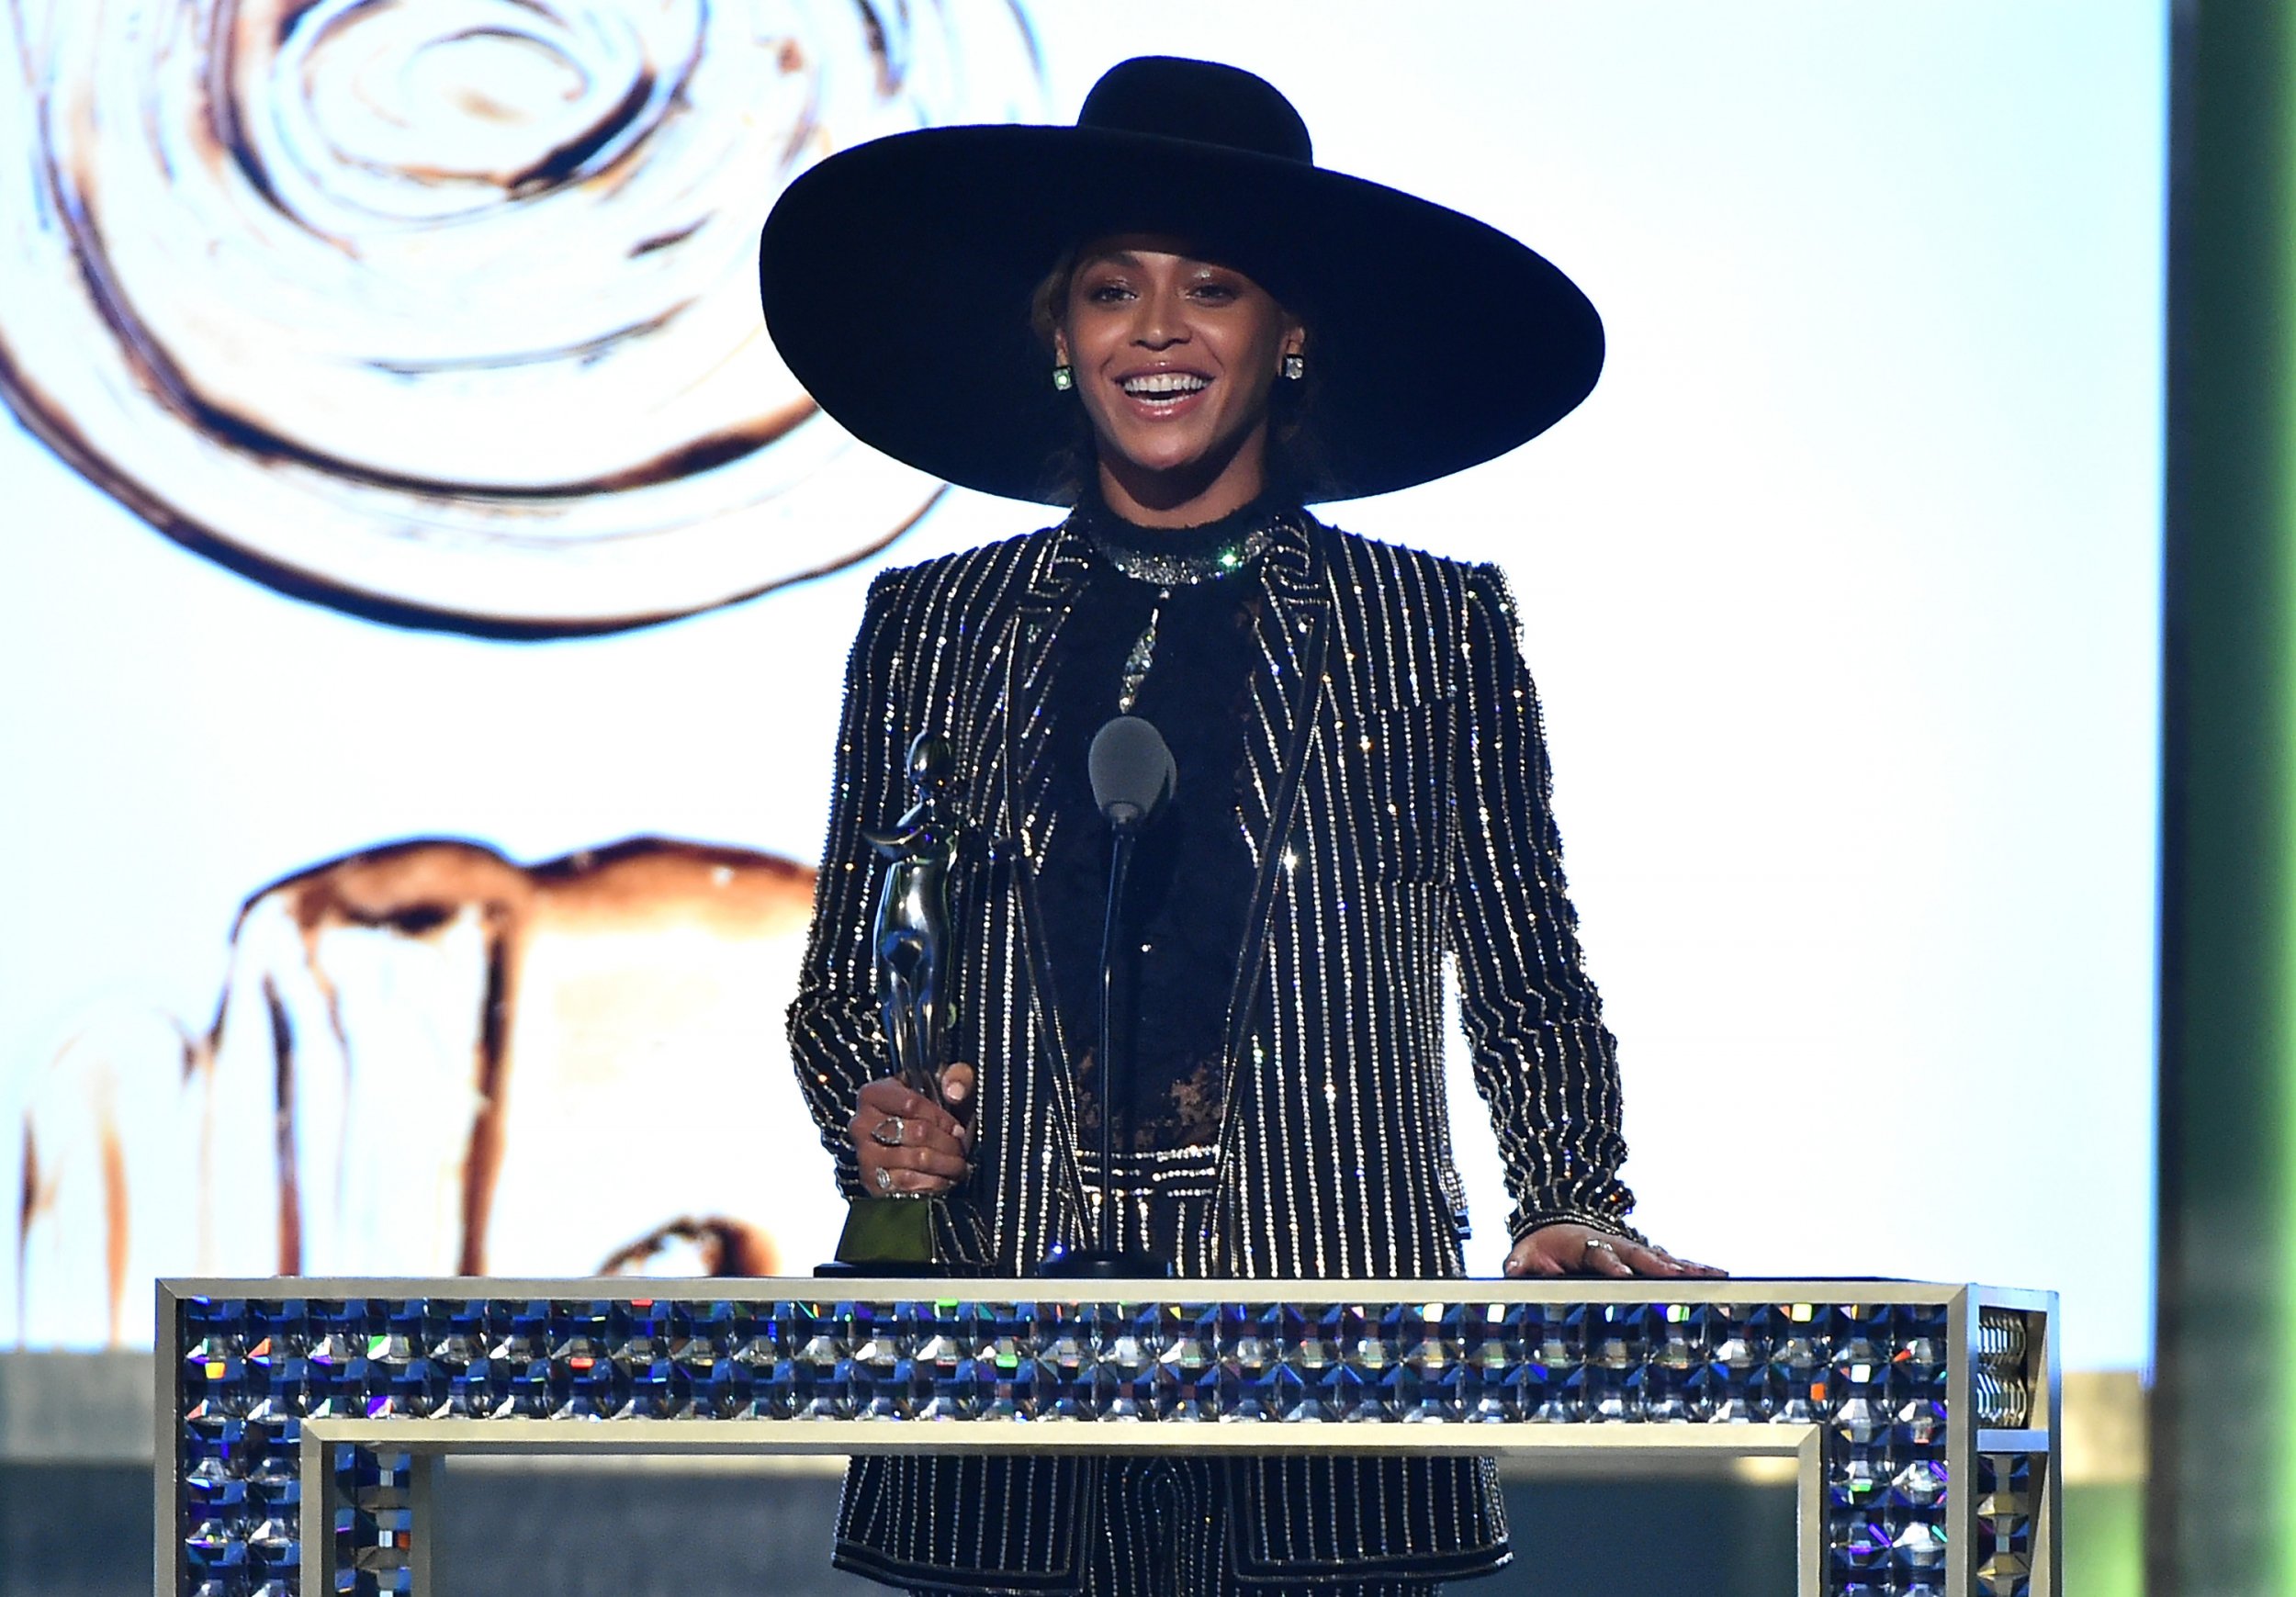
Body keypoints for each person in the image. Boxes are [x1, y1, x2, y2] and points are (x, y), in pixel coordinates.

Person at [770, 54, 1717, 1597]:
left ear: (1288, 339)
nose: (1156, 329)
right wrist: (870, 1114)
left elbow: (1523, 965)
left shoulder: (1427, 626)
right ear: (1057, 339)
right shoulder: (933, 624)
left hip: (1329, 1350)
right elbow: (845, 982)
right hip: (1003, 1361)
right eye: (1108, 289)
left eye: (1211, 287)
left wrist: (1564, 1196)